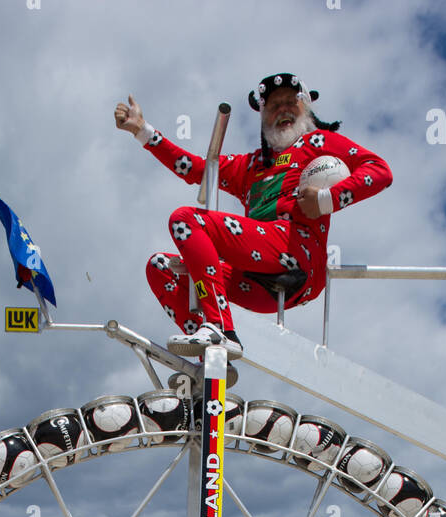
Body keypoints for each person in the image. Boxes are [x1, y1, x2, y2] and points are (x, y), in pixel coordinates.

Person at [114, 73, 392, 359]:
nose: (282, 109)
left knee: (185, 220)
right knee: (160, 266)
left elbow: (380, 171)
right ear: (263, 115)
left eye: (289, 102)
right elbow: (194, 168)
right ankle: (212, 357)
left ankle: (220, 328)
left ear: (305, 108)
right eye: (273, 106)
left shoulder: (318, 142)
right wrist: (142, 131)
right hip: (255, 280)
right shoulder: (250, 165)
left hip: (297, 254)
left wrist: (326, 199)